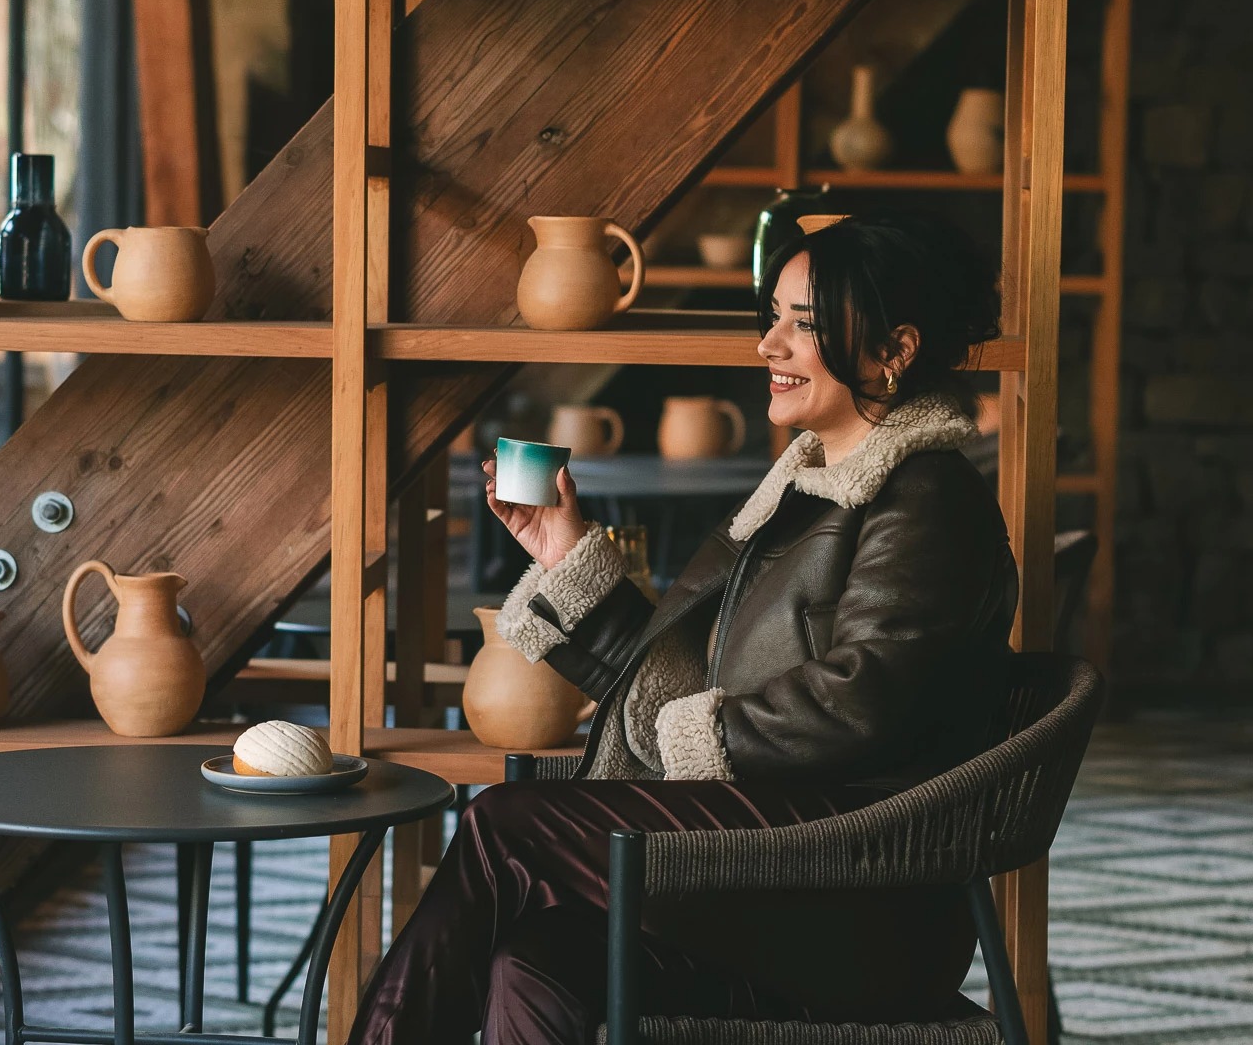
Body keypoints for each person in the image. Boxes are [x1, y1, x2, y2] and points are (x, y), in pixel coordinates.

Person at [352, 213, 1019, 1045]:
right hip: (776, 854)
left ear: (896, 349)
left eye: (804, 324)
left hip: (851, 897)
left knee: (503, 822)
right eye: (771, 315)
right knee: (533, 960)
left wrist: (695, 735)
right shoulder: (808, 489)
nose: (769, 345)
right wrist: (566, 558)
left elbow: (863, 703)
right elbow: (687, 686)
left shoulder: (926, 501)